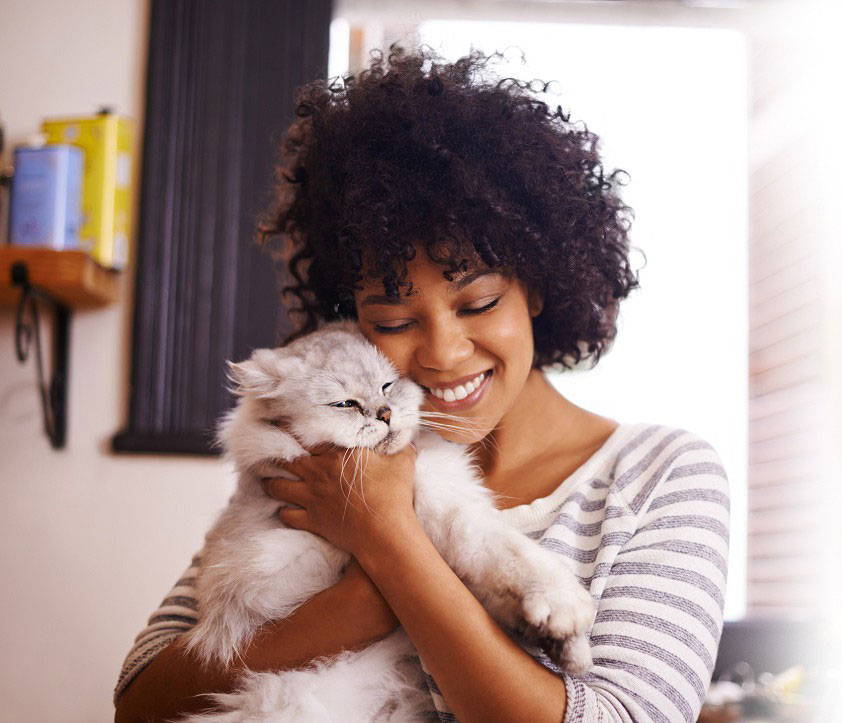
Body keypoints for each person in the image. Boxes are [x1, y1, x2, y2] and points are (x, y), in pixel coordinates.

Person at [114, 44, 729, 723]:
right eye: (395, 318)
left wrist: (388, 542)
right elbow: (143, 699)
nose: (441, 352)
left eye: (478, 304)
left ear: (540, 286)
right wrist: (359, 600)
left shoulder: (663, 476)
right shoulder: (323, 464)